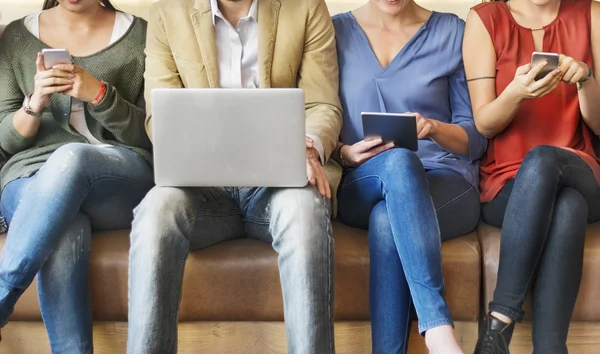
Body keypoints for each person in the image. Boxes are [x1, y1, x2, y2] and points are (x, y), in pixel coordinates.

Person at [126, 0, 342, 353]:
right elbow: (159, 115)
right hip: (202, 187)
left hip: (279, 182)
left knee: (305, 213)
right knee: (155, 212)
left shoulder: (305, 8)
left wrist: (306, 148)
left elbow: (323, 105)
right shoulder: (168, 12)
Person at [331, 0, 487, 353]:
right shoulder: (334, 31)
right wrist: (343, 151)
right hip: (365, 181)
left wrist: (433, 128)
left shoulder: (451, 32)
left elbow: (474, 140)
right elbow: (317, 116)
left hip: (446, 182)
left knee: (388, 221)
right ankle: (437, 329)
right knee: (400, 161)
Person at [0, 0, 153, 351]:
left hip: (117, 175)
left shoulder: (139, 34)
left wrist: (98, 95)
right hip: (30, 177)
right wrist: (35, 102)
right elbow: (5, 142)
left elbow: (150, 133)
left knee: (72, 156)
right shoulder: (17, 38)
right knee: (63, 225)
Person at [463, 0, 600, 352]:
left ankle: (498, 327)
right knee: (567, 206)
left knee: (543, 161)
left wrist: (585, 79)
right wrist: (516, 94)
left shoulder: (592, 14)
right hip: (507, 183)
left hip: (579, 167)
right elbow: (485, 122)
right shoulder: (485, 20)